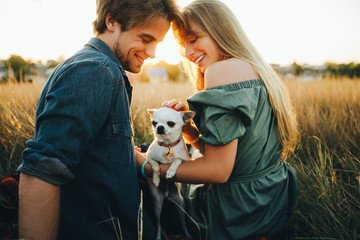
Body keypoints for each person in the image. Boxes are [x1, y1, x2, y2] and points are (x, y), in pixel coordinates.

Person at [17, 0, 181, 239]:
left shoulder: (105, 69)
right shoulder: (95, 71)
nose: (153, 53)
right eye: (145, 39)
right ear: (112, 21)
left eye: (157, 42)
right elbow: (43, 170)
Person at [136, 0, 299, 239]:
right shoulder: (256, 68)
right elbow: (236, 156)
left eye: (194, 39)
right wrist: (190, 133)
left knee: (136, 162)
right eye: (183, 45)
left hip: (237, 209)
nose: (188, 53)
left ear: (220, 31)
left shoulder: (221, 71)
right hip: (269, 196)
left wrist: (146, 167)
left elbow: (217, 170)